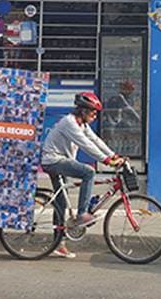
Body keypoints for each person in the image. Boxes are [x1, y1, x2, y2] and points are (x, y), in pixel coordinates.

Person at [40, 91, 125, 259]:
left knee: (61, 203)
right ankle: (81, 215)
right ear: (84, 111)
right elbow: (86, 145)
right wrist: (106, 160)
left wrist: (113, 155)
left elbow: (96, 141)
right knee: (88, 172)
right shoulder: (69, 123)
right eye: (93, 112)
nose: (95, 115)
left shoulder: (82, 125)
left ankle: (59, 244)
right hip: (53, 161)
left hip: (59, 161)